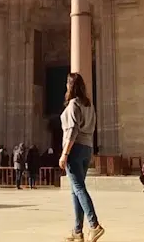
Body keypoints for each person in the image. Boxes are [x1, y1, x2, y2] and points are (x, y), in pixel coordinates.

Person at [59, 72, 104, 242]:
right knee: (75, 190)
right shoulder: (89, 105)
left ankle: (94, 225)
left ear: (70, 86)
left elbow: (72, 131)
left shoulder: (73, 104)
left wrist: (64, 154)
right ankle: (77, 231)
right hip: (87, 148)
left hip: (75, 149)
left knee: (78, 188)